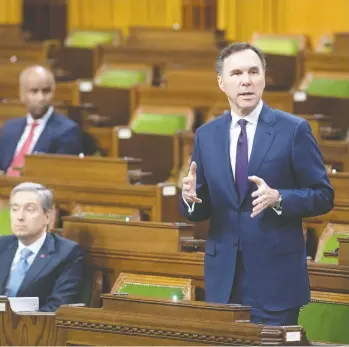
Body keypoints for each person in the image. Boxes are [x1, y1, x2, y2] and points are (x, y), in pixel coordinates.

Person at [180, 42, 334, 326]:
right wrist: (190, 198)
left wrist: (280, 198)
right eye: (236, 73)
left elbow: (323, 195)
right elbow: (199, 210)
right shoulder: (206, 136)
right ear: (221, 82)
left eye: (253, 72)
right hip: (223, 281)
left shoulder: (294, 130)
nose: (246, 80)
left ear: (264, 78)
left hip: (275, 280)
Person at [0, 182, 84, 312]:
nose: (20, 217)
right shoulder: (2, 245)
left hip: (32, 328)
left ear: (47, 216)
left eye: (29, 209)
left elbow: (58, 307)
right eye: (15, 209)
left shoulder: (67, 253)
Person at [0, 65, 82, 176]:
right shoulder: (9, 128)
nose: (41, 98)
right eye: (34, 91)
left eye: (46, 91)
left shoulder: (67, 131)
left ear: (53, 93)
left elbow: (59, 175)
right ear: (22, 95)